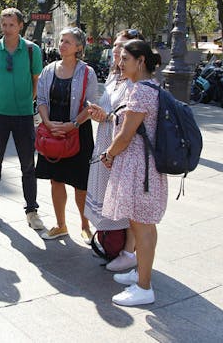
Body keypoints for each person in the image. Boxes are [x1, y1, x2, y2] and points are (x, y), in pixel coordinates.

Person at [99, 39, 167, 306]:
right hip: (145, 166)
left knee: (142, 226)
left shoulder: (140, 91)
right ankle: (141, 272)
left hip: (139, 167)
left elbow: (126, 135)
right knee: (142, 225)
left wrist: (109, 153)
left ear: (140, 62)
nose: (120, 62)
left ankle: (144, 287)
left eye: (126, 58)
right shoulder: (152, 87)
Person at [0, 8, 44, 230]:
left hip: (23, 115)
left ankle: (32, 211)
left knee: (28, 166)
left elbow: (36, 81)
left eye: (11, 25)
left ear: (20, 26)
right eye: (4, 24)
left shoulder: (32, 50)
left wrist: (26, 101)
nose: (7, 29)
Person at [85, 29, 145, 271]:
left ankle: (129, 252)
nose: (118, 51)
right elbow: (113, 112)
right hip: (106, 141)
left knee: (127, 205)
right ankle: (115, 246)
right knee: (110, 200)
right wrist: (101, 114)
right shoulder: (114, 77)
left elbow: (131, 120)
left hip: (123, 148)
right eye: (116, 46)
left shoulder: (135, 81)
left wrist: (107, 117)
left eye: (123, 46)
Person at [35, 27, 99, 241]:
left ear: (79, 47)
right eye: (61, 40)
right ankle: (60, 225)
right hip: (53, 131)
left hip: (78, 131)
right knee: (56, 180)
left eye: (67, 42)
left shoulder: (87, 72)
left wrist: (72, 124)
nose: (62, 45)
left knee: (80, 183)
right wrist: (47, 122)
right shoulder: (48, 69)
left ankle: (85, 225)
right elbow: (41, 100)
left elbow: (91, 105)